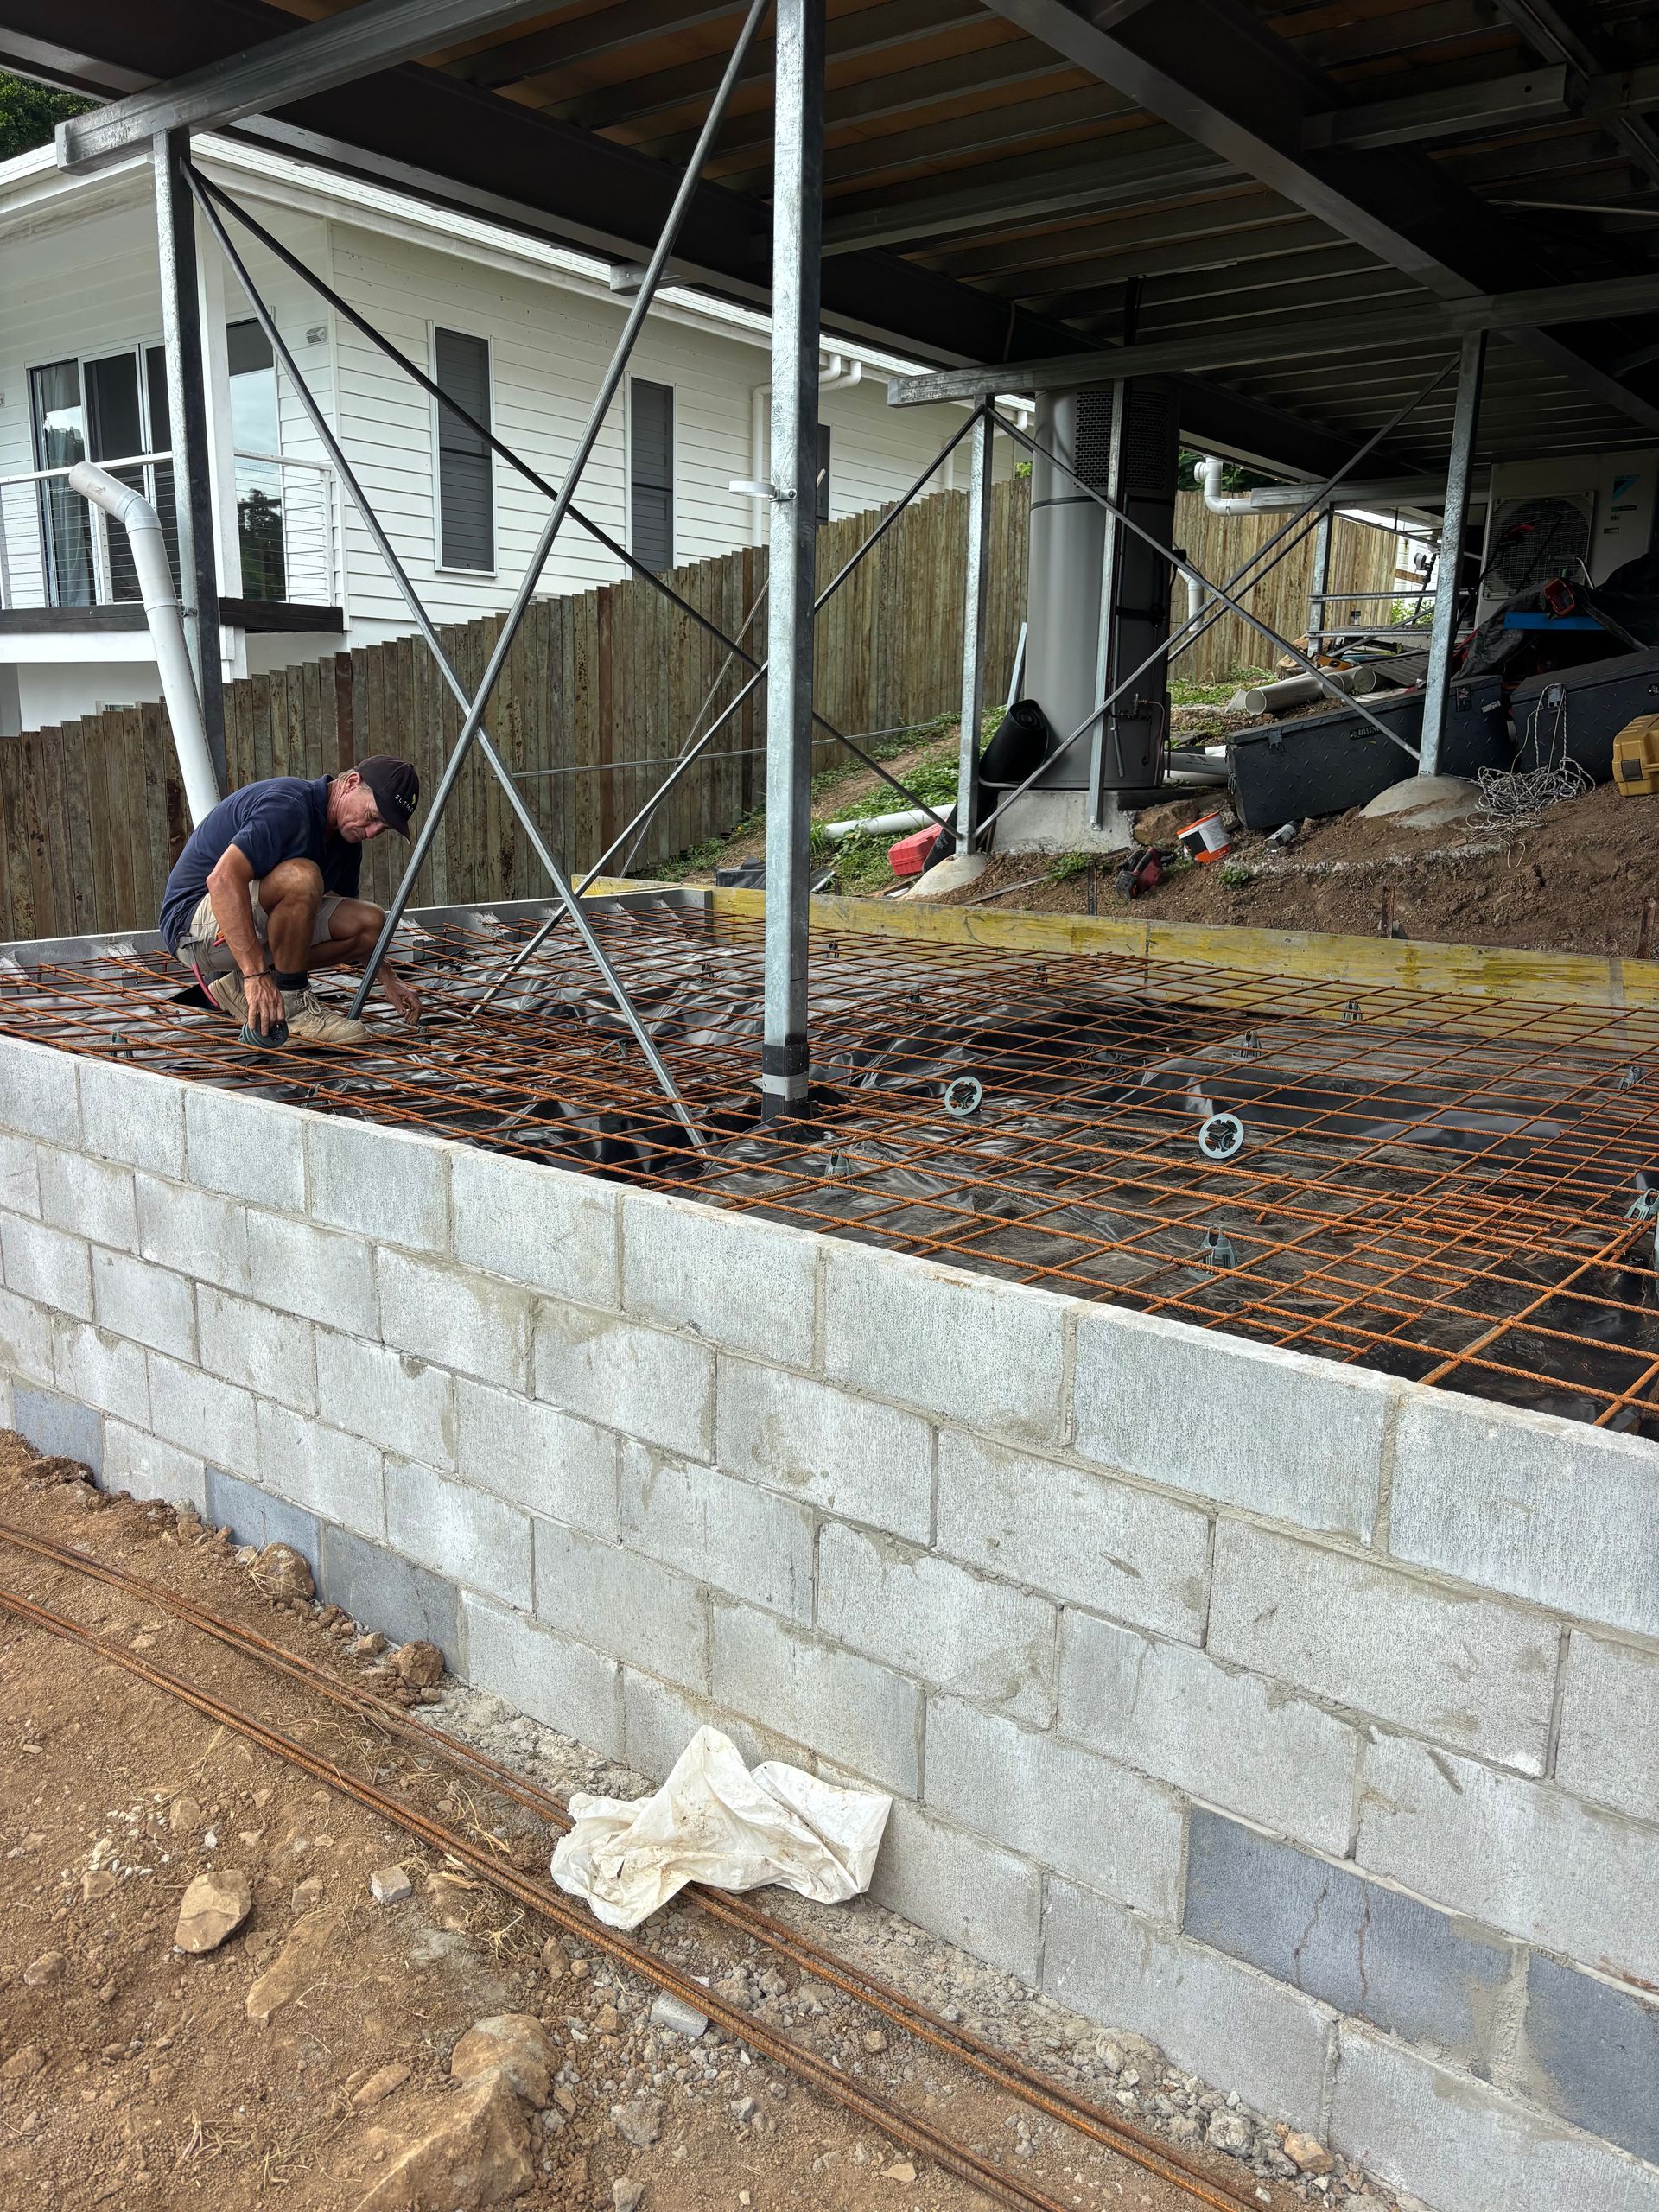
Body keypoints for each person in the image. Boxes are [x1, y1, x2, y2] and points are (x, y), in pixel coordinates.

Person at [158, 758, 423, 1046]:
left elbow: (337, 916)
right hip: (195, 927)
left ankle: (249, 985)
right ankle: (291, 1001)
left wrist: (387, 978)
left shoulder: (346, 843)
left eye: (382, 828)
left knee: (368, 923)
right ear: (351, 783)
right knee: (302, 877)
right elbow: (221, 880)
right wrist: (255, 976)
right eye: (372, 816)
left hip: (240, 928)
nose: (372, 832)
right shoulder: (289, 806)